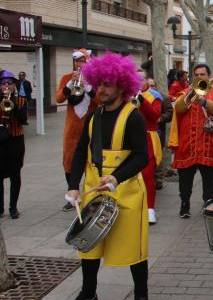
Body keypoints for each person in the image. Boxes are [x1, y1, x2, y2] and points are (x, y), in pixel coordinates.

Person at [65, 53, 149, 300]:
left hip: (127, 191)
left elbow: (142, 157)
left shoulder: (133, 116)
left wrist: (116, 178)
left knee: (134, 247)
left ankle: (141, 295)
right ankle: (88, 292)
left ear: (121, 85)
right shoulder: (93, 116)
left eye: (106, 84)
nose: (100, 89)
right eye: (98, 83)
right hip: (94, 187)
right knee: (88, 245)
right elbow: (81, 151)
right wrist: (73, 186)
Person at [169, 64, 213, 218]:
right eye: (197, 74)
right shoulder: (185, 92)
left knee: (210, 179)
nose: (200, 77)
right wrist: (190, 94)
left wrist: (205, 102)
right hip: (188, 145)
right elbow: (178, 109)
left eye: (203, 74)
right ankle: (185, 205)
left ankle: (208, 203)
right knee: (185, 179)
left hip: (209, 145)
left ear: (209, 76)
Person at [56, 48, 98, 211]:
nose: (79, 64)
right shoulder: (67, 77)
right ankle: (73, 193)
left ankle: (91, 194)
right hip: (72, 130)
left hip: (90, 129)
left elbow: (100, 100)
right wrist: (69, 84)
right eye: (77, 61)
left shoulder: (95, 79)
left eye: (82, 60)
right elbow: (59, 98)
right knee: (69, 161)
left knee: (91, 162)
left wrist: (88, 87)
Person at [134, 72, 163, 224]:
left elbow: (154, 115)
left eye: (141, 78)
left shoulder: (154, 96)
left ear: (146, 80)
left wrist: (141, 99)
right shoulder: (125, 94)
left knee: (147, 174)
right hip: (129, 138)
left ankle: (149, 208)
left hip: (148, 138)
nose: (138, 81)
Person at [0, 70, 28, 219]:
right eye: (3, 83)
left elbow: (23, 120)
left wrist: (13, 104)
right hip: (1, 141)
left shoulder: (22, 101)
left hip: (16, 140)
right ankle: (0, 208)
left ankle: (13, 207)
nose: (6, 86)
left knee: (15, 174)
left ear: (14, 85)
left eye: (9, 83)